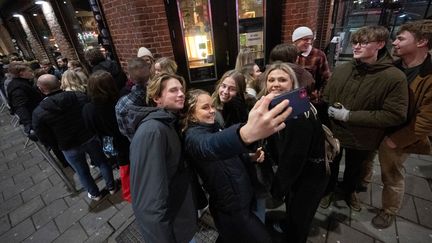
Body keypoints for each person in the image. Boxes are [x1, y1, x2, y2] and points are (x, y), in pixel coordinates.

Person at [321, 25, 409, 212]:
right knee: (331, 164)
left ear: (379, 44)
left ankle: (348, 192)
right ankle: (328, 190)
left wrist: (349, 115)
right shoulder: (343, 69)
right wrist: (327, 108)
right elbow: (327, 96)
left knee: (355, 168)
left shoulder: (394, 77)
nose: (356, 47)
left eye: (363, 42)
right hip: (334, 132)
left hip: (363, 136)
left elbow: (395, 114)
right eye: (355, 42)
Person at [182, 89, 270, 243]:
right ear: (190, 114)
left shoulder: (214, 125)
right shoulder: (192, 137)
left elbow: (227, 155)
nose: (212, 111)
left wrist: (249, 157)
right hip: (231, 207)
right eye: (205, 107)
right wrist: (244, 134)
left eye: (212, 106)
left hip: (241, 198)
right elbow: (211, 145)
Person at [371, 19, 432, 229]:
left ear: (422, 41)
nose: (394, 42)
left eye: (400, 38)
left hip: (398, 136)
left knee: (392, 174)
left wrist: (395, 140)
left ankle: (389, 210)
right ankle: (361, 184)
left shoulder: (429, 76)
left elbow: (426, 121)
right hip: (379, 128)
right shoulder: (393, 67)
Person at [263, 62, 329, 243]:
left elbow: (293, 160)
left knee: (300, 218)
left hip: (309, 177)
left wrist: (277, 190)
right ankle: (288, 225)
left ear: (292, 83)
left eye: (282, 80)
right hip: (302, 173)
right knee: (295, 210)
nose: (275, 84)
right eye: (271, 80)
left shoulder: (296, 114)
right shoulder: (290, 104)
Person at [32, 74, 116, 201]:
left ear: (41, 89)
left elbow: (43, 135)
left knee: (82, 171)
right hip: (88, 137)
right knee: (102, 162)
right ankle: (112, 187)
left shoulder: (39, 112)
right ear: (59, 82)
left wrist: (56, 145)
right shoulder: (79, 96)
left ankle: (95, 194)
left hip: (68, 146)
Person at [82, 70, 128, 200]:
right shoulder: (121, 100)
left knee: (121, 164)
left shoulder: (88, 109)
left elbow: (91, 129)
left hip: (109, 143)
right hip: (126, 139)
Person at [6, 62, 43, 138]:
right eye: (29, 71)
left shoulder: (22, 82)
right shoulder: (18, 88)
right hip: (37, 119)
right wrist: (29, 126)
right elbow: (20, 107)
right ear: (22, 73)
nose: (32, 73)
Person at [292, 26, 331, 94]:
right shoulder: (289, 53)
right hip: (291, 95)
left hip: (309, 97)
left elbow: (326, 79)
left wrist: (319, 96)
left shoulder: (319, 55)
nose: (309, 42)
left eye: (311, 39)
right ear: (296, 40)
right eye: (306, 39)